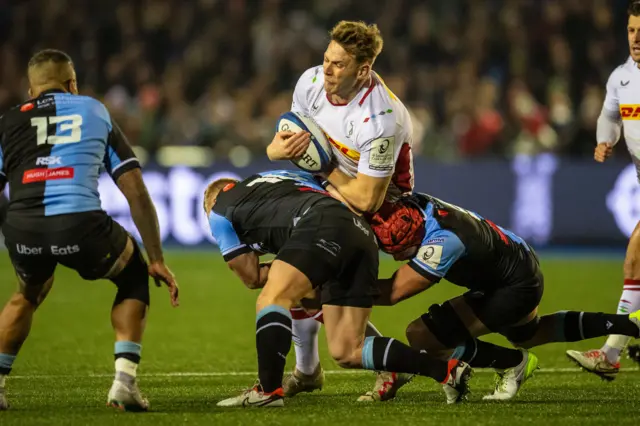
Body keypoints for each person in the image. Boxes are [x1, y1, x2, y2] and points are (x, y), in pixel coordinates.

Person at [0, 49, 179, 411]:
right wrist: (156, 258)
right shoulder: (94, 111)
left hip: (23, 229)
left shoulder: (7, 123)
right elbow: (136, 191)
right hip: (80, 224)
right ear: (73, 85)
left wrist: (14, 224)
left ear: (31, 91)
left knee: (28, 293)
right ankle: (124, 383)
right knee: (132, 276)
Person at [203, 170, 471, 407]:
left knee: (273, 296)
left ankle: (268, 391)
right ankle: (445, 371)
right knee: (347, 350)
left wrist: (280, 264)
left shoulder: (219, 211)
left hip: (318, 225)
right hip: (360, 232)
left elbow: (251, 277)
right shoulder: (283, 178)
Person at [266, 20, 415, 401]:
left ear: (363, 70)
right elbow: (281, 143)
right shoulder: (311, 83)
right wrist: (278, 151)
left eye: (339, 65)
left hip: (377, 207)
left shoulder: (382, 117)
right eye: (326, 60)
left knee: (330, 323)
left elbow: (369, 199)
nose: (327, 71)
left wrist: (321, 168)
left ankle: (406, 362)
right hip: (327, 190)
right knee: (294, 276)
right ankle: (309, 369)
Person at [369, 193, 640, 400]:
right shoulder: (416, 204)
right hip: (515, 261)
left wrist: (339, 292)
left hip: (513, 284)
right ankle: (629, 323)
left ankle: (513, 363)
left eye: (402, 250)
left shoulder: (443, 241)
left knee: (422, 335)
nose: (395, 256)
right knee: (530, 334)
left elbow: (394, 292)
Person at [567, 0, 640, 379]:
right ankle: (612, 355)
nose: (637, 37)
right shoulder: (622, 78)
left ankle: (613, 351)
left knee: (634, 261)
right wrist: (604, 140)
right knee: (634, 265)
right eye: (631, 30)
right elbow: (609, 117)